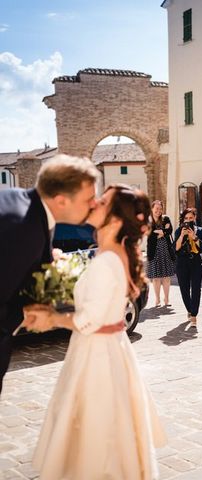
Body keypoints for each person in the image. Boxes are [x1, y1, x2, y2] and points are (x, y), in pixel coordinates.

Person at [23, 184, 166, 479]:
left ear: (114, 220)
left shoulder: (106, 262)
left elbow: (89, 320)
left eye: (102, 201)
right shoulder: (112, 256)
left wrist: (50, 318)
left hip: (97, 356)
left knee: (95, 439)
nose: (94, 202)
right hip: (110, 349)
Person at [0, 154, 99, 396]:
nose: (95, 204)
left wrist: (46, 258)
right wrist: (32, 313)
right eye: (89, 198)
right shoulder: (26, 230)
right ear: (61, 200)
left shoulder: (17, 201)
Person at [175, 208, 202, 327]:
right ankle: (189, 309)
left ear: (195, 218)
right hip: (182, 263)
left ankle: (194, 315)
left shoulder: (200, 230)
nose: (188, 220)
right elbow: (176, 248)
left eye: (191, 218)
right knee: (184, 289)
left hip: (197, 263)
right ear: (183, 220)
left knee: (196, 289)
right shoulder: (179, 231)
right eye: (186, 218)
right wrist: (182, 236)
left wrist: (195, 237)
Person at [146, 200, 176, 307]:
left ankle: (166, 299)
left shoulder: (166, 219)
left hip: (166, 251)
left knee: (166, 277)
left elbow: (170, 230)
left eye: (160, 209)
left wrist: (159, 232)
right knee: (156, 278)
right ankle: (157, 299)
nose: (158, 211)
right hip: (153, 252)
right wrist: (163, 232)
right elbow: (149, 234)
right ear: (152, 209)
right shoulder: (148, 221)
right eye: (156, 209)